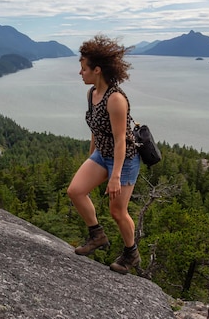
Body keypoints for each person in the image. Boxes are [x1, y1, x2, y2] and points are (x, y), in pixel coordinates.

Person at [66, 34, 141, 275]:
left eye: (83, 68)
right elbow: (96, 129)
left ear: (97, 70)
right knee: (75, 191)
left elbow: (121, 141)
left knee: (117, 212)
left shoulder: (116, 99)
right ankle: (97, 235)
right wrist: (91, 157)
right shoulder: (92, 94)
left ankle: (131, 253)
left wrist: (115, 176)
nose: (80, 73)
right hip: (101, 154)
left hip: (124, 159)